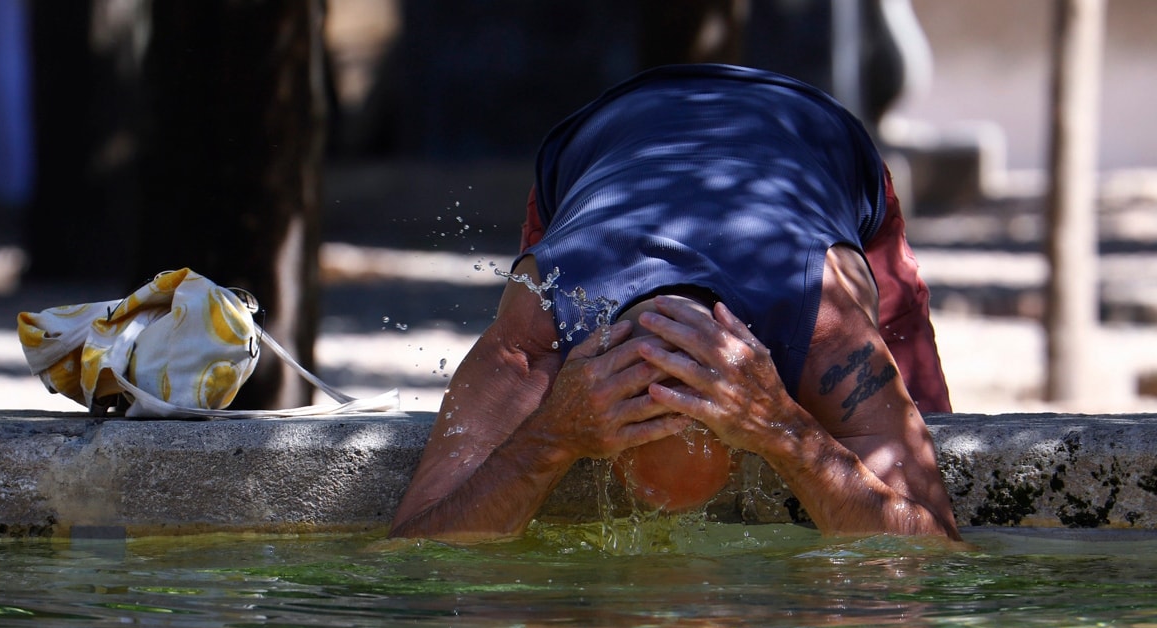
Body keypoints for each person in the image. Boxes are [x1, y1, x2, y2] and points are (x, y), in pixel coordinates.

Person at [389, 64, 960, 542]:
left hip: (813, 133)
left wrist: (784, 431)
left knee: (932, 429)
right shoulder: (539, 327)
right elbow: (413, 546)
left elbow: (934, 546)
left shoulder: (826, 325)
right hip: (601, 139)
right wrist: (548, 438)